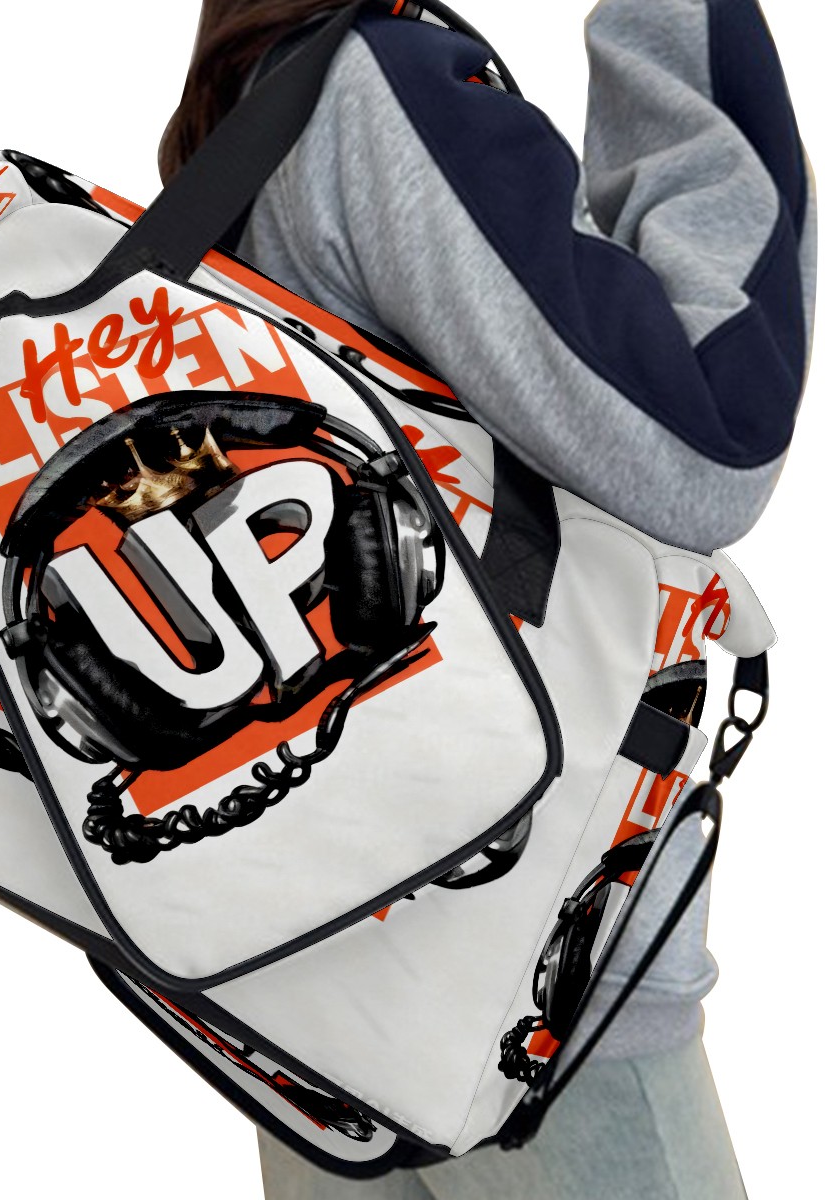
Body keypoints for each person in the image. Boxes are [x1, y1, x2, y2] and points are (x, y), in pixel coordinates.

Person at [158, 2, 815, 1197]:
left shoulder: (246, 126)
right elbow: (709, 436)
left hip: (301, 977)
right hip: (527, 991)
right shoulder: (381, 89)